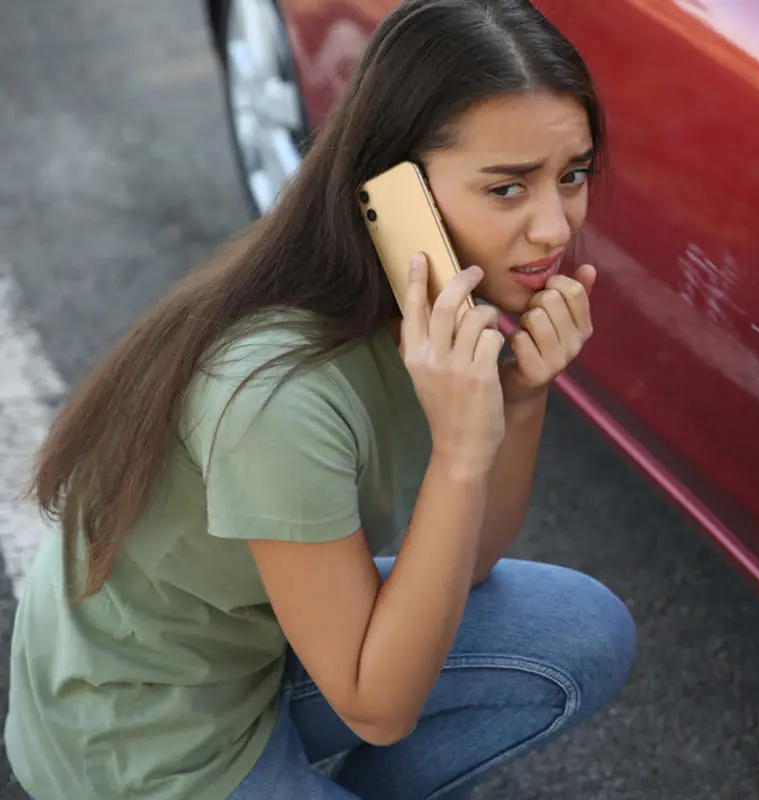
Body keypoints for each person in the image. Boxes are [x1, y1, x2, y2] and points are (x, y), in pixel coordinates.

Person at [4, 0, 637, 796]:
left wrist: (518, 398)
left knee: (586, 631)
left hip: (264, 649)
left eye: (572, 174)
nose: (554, 226)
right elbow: (378, 709)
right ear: (395, 191)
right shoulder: (280, 393)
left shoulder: (428, 310)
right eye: (507, 188)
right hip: (150, 739)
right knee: (387, 685)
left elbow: (468, 565)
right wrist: (461, 452)